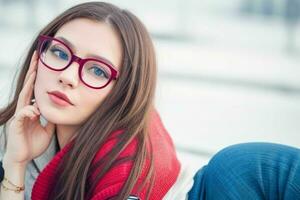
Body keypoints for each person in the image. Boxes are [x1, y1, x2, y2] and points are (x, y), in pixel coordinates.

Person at [0, 2, 300, 200]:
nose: (67, 75)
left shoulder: (128, 163)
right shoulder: (14, 130)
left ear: (121, 91)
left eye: (97, 70)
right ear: (38, 56)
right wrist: (15, 161)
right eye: (60, 52)